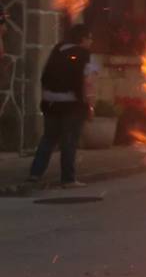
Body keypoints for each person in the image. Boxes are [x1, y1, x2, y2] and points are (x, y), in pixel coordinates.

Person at [28, 24, 96, 187]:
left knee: (48, 139)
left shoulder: (57, 51)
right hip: (72, 103)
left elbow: (45, 76)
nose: (91, 41)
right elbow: (87, 83)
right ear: (83, 39)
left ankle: (34, 174)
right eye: (90, 38)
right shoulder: (84, 54)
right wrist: (89, 105)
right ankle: (68, 178)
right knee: (69, 140)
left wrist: (45, 98)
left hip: (50, 102)